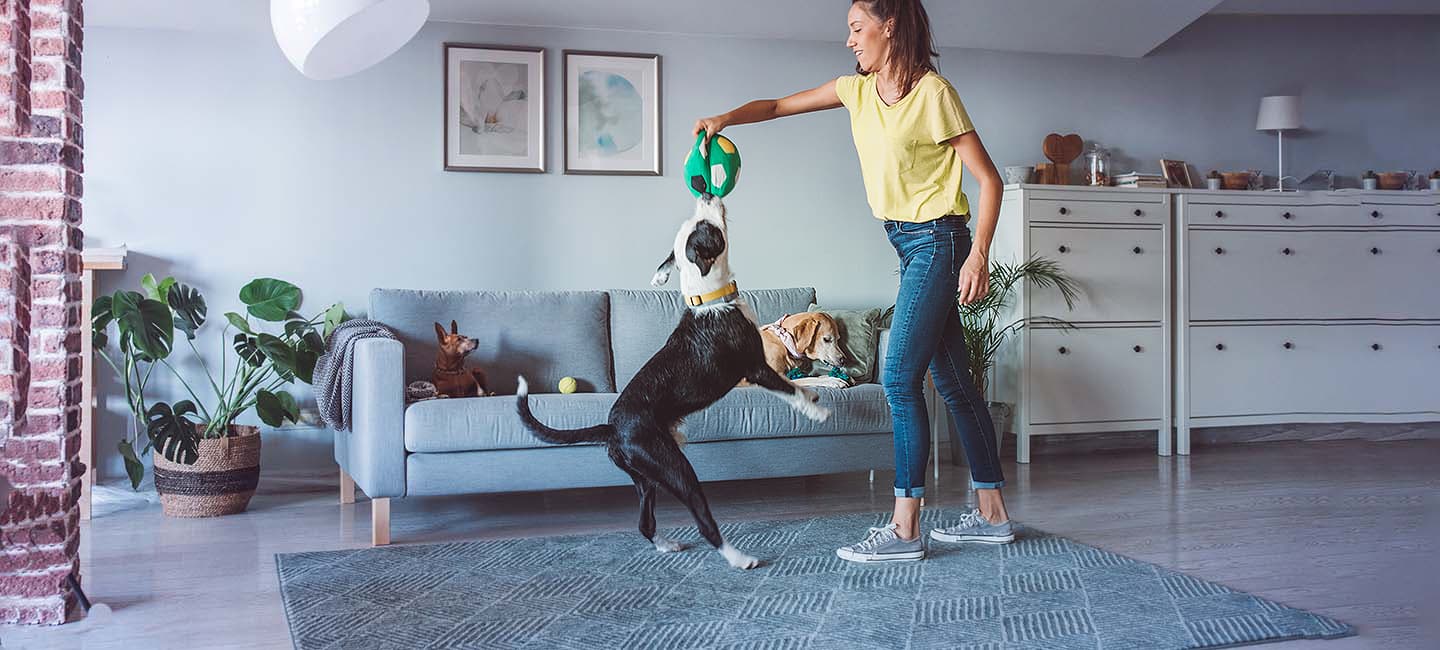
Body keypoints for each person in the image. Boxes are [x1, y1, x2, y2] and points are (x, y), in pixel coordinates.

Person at [693, 0, 1011, 562]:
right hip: (909, 243)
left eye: (857, 29)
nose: (849, 41)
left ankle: (905, 529)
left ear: (891, 28)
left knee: (898, 379)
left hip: (940, 241)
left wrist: (978, 254)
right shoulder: (856, 91)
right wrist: (724, 119)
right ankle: (992, 515)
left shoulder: (934, 95)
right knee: (956, 385)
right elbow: (775, 105)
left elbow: (988, 179)